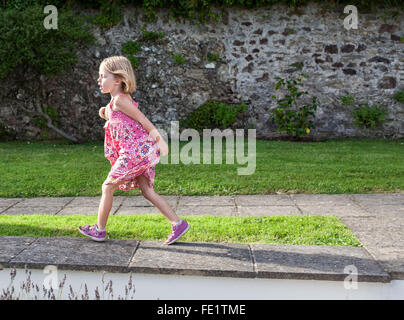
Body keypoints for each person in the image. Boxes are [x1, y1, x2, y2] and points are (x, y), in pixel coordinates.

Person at [78, 56, 190, 245]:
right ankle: (177, 224)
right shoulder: (116, 101)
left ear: (118, 79)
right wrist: (104, 112)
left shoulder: (120, 100)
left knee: (108, 186)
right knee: (146, 189)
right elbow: (117, 115)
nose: (99, 80)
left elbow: (142, 120)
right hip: (139, 152)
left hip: (134, 153)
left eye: (103, 76)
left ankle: (99, 230)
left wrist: (160, 140)